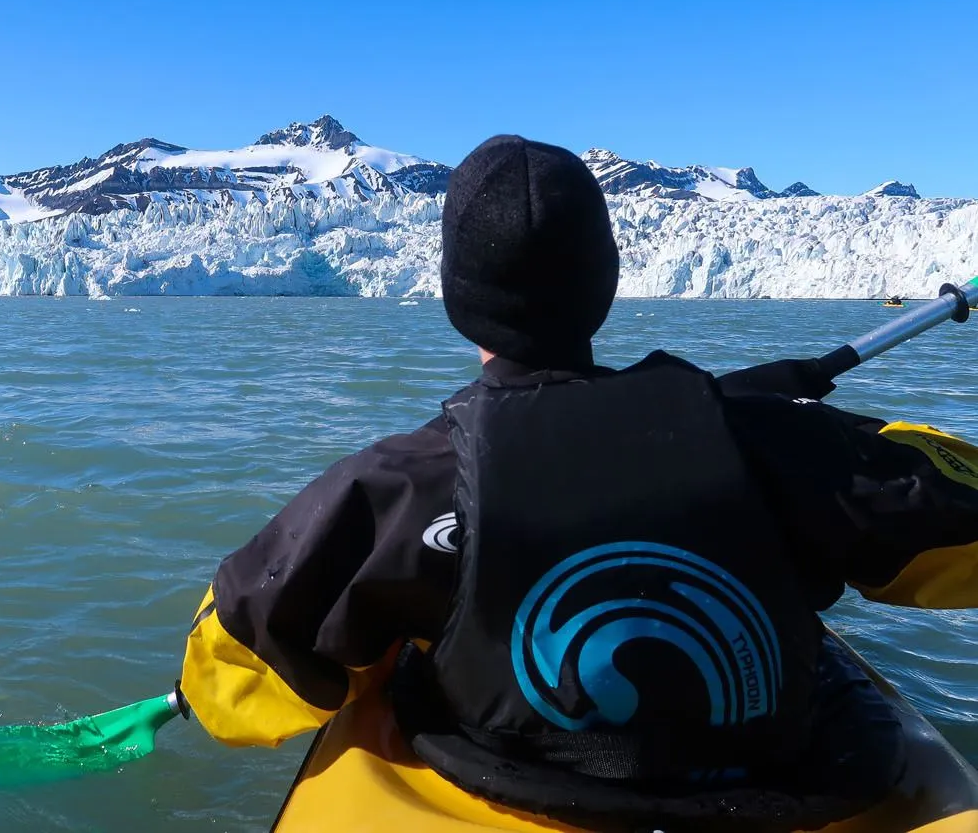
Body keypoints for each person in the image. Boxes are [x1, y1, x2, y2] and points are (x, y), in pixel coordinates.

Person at [178, 136, 978, 831]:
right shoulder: (768, 438)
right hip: (791, 786)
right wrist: (766, 426)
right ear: (607, 278)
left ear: (456, 294)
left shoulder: (403, 485)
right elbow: (958, 503)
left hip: (508, 778)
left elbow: (232, 668)